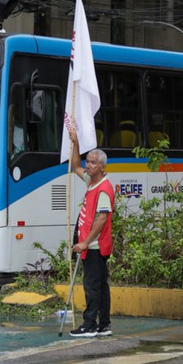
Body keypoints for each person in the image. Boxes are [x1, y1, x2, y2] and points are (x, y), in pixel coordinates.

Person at [68, 127, 115, 338]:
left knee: (92, 285)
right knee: (101, 285)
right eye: (89, 161)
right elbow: (74, 165)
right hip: (93, 244)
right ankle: (104, 325)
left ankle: (89, 325)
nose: (88, 165)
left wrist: (85, 242)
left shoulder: (104, 189)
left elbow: (102, 219)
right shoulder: (91, 181)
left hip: (95, 245)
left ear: (103, 167)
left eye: (93, 163)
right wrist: (75, 141)